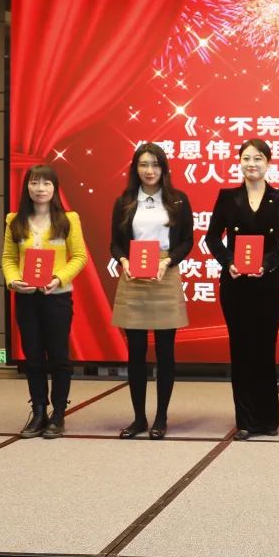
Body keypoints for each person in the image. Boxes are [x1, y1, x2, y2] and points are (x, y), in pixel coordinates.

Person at [206, 139, 279, 440]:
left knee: (265, 349)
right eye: (246, 158)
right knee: (241, 350)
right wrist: (228, 262)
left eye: (258, 158)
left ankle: (268, 420)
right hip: (236, 284)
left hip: (269, 283)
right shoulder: (227, 197)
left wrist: (268, 263)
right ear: (239, 162)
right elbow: (212, 238)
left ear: (268, 163)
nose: (252, 164)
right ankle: (246, 420)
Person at [110, 142, 193, 440]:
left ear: (164, 168)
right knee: (135, 351)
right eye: (144, 164)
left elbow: (187, 240)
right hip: (133, 273)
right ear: (135, 168)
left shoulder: (178, 200)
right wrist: (123, 261)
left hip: (164, 271)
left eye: (155, 164)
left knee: (165, 351)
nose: (149, 170)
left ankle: (161, 417)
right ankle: (138, 418)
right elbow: (115, 243)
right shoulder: (124, 201)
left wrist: (168, 262)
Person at [1, 165, 88, 439]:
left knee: (59, 356)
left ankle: (58, 413)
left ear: (55, 188)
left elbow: (80, 257)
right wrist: (13, 281)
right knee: (33, 357)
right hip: (26, 299)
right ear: (26, 186)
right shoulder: (14, 220)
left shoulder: (68, 219)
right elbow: (8, 259)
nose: (40, 189)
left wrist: (58, 278)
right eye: (35, 183)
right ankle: (39, 411)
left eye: (46, 183)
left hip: (57, 298)